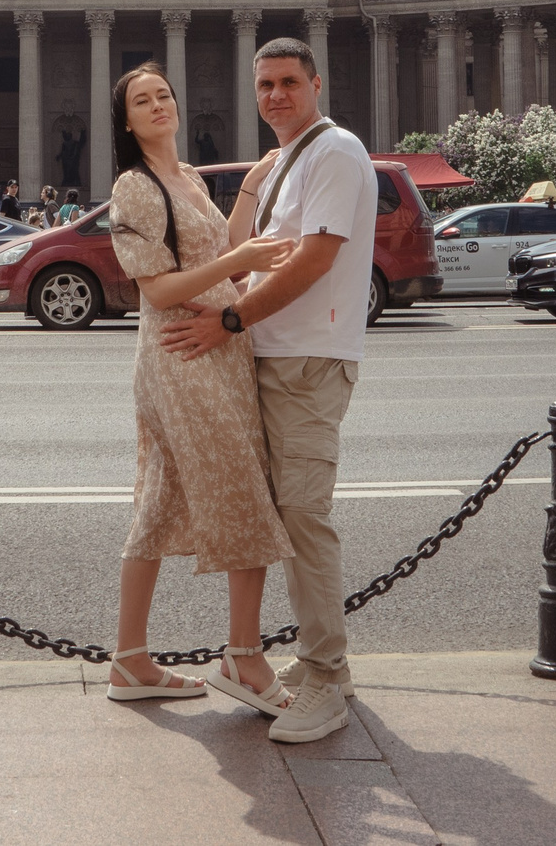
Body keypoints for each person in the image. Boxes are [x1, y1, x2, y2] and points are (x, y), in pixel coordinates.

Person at [164, 36, 375, 744]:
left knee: (305, 516)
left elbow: (315, 259)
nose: (276, 95)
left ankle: (325, 676)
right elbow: (242, 243)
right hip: (276, 355)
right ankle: (322, 668)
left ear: (318, 82)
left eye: (289, 81)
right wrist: (258, 179)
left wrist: (229, 318)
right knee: (287, 512)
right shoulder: (293, 157)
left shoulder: (337, 151)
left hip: (309, 358)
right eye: (265, 86)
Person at [101, 62, 294, 714]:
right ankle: (243, 657)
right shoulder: (134, 185)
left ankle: (129, 659)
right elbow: (156, 288)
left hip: (219, 346)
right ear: (126, 120)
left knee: (158, 505)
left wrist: (251, 187)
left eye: (164, 94)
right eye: (142, 100)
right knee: (244, 492)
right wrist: (240, 264)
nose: (158, 104)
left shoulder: (185, 178)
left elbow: (223, 244)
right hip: (179, 352)